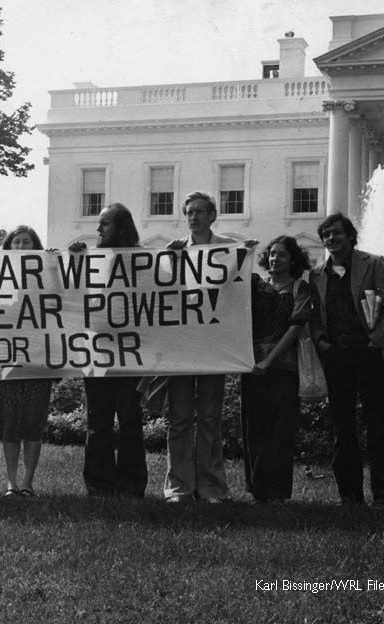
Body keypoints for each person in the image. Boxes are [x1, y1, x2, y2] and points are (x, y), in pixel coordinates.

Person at [309, 212, 384, 509]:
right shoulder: (317, 274)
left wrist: (377, 340)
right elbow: (312, 315)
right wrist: (321, 342)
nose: (331, 239)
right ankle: (349, 495)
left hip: (368, 354)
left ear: (350, 235)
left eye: (336, 233)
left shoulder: (373, 264)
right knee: (343, 427)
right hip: (335, 356)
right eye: (326, 235)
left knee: (377, 426)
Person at [163, 191, 237, 503]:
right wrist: (168, 262)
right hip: (182, 344)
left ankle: (211, 487)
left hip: (213, 345)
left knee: (209, 417)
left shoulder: (228, 250)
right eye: (189, 212)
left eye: (200, 212)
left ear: (212, 215)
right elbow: (163, 294)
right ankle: (178, 486)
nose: (193, 217)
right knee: (179, 418)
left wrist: (243, 258)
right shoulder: (175, 250)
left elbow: (235, 293)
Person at [69, 203, 148, 497]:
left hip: (131, 352)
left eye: (105, 224)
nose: (98, 230)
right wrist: (75, 261)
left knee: (130, 420)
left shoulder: (142, 260)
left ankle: (131, 484)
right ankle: (99, 484)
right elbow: (71, 292)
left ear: (122, 228)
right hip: (97, 352)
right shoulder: (91, 258)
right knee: (98, 421)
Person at [241, 236, 311, 503]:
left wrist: (269, 361)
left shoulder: (300, 289)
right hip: (251, 366)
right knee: (254, 427)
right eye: (271, 254)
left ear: (292, 259)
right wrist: (246, 254)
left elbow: (296, 328)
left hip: (283, 367)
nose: (274, 259)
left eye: (281, 254)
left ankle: (278, 492)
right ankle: (258, 490)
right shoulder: (256, 285)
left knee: (280, 430)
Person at [0, 226, 55, 497]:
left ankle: (28, 481)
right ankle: (11, 481)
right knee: (11, 420)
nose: (20, 246)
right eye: (16, 242)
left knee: (33, 420)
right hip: (8, 355)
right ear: (8, 248)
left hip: (39, 355)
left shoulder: (46, 274)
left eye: (26, 242)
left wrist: (62, 261)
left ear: (35, 246)